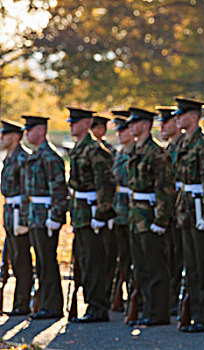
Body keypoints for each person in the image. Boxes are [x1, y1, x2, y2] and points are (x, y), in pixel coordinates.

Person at [172, 97, 204, 332]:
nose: (178, 118)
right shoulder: (183, 142)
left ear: (194, 117)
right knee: (191, 266)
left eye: (182, 115)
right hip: (187, 208)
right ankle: (195, 313)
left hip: (201, 209)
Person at [126, 107, 175, 326]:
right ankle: (146, 309)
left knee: (156, 266)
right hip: (136, 215)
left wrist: (161, 219)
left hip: (150, 215)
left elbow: (165, 188)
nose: (130, 126)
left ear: (146, 125)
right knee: (142, 266)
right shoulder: (135, 150)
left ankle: (158, 312)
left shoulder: (156, 152)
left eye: (135, 123)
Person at [68, 107, 116, 323]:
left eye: (75, 122)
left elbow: (106, 184)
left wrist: (102, 212)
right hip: (81, 213)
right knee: (85, 261)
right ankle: (91, 304)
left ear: (86, 124)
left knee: (95, 261)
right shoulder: (79, 148)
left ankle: (98, 307)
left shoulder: (95, 150)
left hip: (92, 213)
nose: (71, 125)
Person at [23, 115, 68, 319]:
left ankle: (52, 306)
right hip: (36, 216)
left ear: (41, 131)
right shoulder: (37, 155)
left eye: (30, 129)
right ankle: (45, 304)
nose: (27, 133)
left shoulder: (50, 157)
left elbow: (59, 189)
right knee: (41, 261)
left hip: (46, 216)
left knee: (48, 261)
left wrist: (56, 216)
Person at [0, 119, 32, 316]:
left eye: (6, 134)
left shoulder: (23, 158)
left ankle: (22, 303)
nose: (1, 138)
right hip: (10, 212)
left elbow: (27, 190)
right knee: (11, 257)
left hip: (20, 212)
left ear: (17, 137)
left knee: (21, 260)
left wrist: (24, 218)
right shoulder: (8, 158)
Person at [157, 105, 184, 315]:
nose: (162, 126)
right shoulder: (167, 150)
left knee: (180, 257)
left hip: (184, 209)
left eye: (167, 121)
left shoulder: (183, 145)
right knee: (169, 256)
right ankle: (172, 298)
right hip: (172, 209)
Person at [91, 113, 118, 307]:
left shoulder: (107, 151)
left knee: (109, 255)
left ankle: (110, 293)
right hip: (90, 209)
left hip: (107, 207)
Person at [110, 111, 134, 311]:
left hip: (134, 212)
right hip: (119, 211)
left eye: (123, 129)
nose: (119, 133)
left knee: (134, 257)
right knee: (122, 257)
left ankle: (136, 296)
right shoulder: (119, 153)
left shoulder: (136, 152)